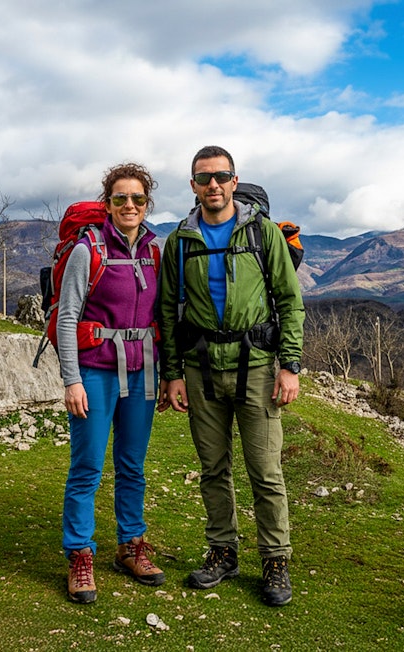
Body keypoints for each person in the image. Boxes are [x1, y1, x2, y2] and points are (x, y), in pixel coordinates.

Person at [158, 145, 305, 607]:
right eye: (204, 178)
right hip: (201, 371)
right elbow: (167, 310)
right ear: (193, 186)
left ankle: (275, 560)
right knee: (212, 469)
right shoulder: (179, 241)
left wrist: (290, 365)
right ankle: (223, 551)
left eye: (221, 176)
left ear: (234, 181)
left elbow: (289, 300)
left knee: (265, 471)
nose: (213, 185)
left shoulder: (262, 233)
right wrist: (172, 373)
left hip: (259, 368)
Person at [58, 162, 164, 604]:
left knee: (132, 465)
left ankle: (130, 545)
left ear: (147, 203)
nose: (129, 205)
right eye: (120, 198)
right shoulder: (88, 250)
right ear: (108, 203)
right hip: (95, 372)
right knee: (87, 467)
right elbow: (67, 317)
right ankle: (80, 553)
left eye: (137, 198)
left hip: (143, 373)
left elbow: (166, 316)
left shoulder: (157, 251)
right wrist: (71, 380)